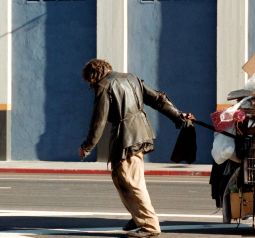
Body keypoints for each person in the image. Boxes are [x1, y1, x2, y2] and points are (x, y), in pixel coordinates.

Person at [78, 58, 194, 238]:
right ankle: (137, 216)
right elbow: (158, 99)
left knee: (131, 180)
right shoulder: (131, 78)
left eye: (90, 82)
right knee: (121, 177)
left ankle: (149, 226)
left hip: (126, 136)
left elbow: (98, 120)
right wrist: (178, 116)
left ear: (93, 76)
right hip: (140, 131)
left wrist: (87, 146)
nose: (91, 85)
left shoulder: (103, 85)